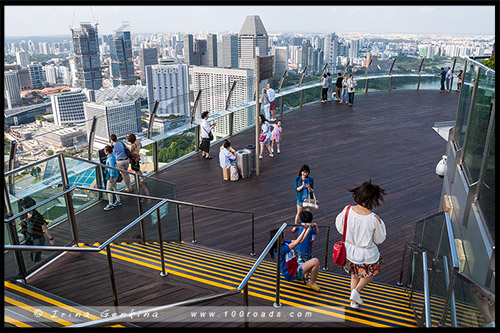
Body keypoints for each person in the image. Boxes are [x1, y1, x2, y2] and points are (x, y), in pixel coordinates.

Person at [335, 180, 387, 309]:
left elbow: (340, 228)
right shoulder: (374, 219)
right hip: (367, 254)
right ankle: (356, 292)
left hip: (350, 251)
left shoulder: (347, 210)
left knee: (354, 274)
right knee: (372, 272)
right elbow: (380, 239)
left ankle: (354, 302)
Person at [269, 225, 321, 292]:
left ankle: (303, 277)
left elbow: (299, 241)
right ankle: (311, 282)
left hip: (295, 267)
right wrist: (305, 229)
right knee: (315, 261)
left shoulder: (284, 243)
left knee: (316, 266)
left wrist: (307, 229)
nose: (283, 238)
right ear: (277, 240)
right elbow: (296, 243)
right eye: (282, 236)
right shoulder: (280, 250)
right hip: (291, 272)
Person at [19, 196, 55, 263]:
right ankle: (40, 262)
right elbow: (27, 220)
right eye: (23, 208)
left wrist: (51, 239)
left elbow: (45, 229)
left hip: (38, 239)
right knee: (34, 255)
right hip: (31, 238)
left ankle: (40, 268)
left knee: (35, 257)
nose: (24, 209)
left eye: (25, 208)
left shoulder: (37, 216)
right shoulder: (27, 213)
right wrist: (22, 222)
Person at [293, 164, 314, 232]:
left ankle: (309, 226)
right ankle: (295, 226)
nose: (305, 173)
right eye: (304, 172)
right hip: (300, 200)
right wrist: (302, 185)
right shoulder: (298, 179)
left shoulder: (310, 179)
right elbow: (297, 189)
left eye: (307, 172)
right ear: (301, 171)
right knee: (298, 213)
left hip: (307, 200)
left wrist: (308, 187)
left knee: (308, 214)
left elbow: (312, 190)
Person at [103, 145, 123, 211]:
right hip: (115, 175)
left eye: (105, 150)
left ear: (107, 151)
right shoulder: (112, 156)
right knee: (115, 188)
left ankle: (110, 204)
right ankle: (118, 200)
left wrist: (111, 177)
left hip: (113, 176)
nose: (104, 151)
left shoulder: (110, 158)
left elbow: (112, 168)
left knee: (108, 189)